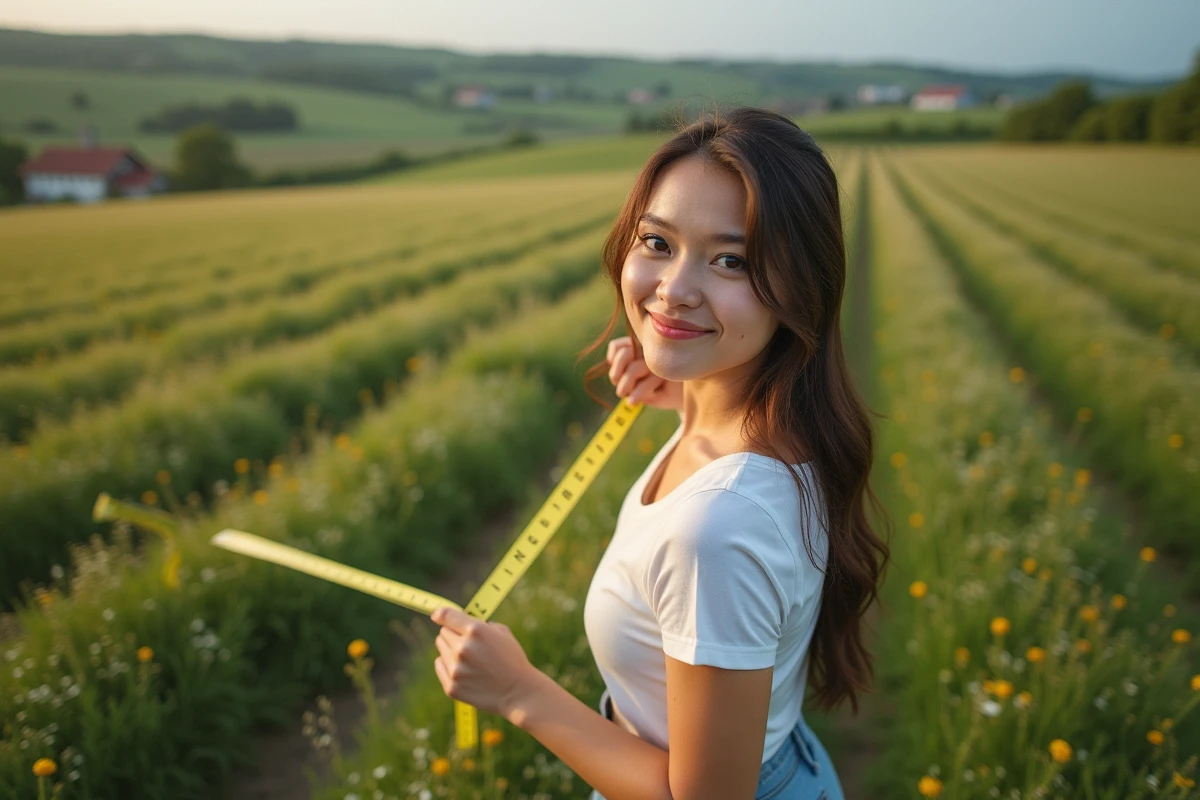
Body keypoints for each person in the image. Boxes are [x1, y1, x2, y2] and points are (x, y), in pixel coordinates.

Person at [429, 104, 889, 800]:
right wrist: (689, 389)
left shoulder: (718, 529)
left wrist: (520, 691)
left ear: (801, 287)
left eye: (731, 260)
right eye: (658, 242)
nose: (673, 291)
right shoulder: (781, 427)